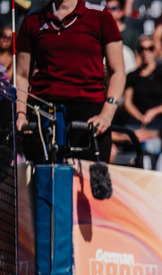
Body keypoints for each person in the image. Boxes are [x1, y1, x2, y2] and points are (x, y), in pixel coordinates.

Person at [15, 0, 126, 163]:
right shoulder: (32, 20)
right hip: (43, 114)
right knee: (42, 182)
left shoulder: (101, 16)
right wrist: (21, 114)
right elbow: (21, 75)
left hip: (89, 114)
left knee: (87, 184)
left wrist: (107, 114)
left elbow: (118, 72)